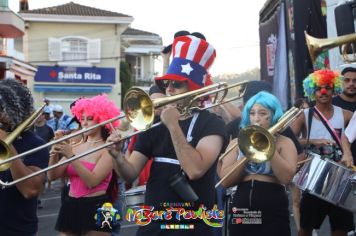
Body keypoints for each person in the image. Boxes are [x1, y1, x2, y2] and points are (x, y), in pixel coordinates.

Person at [107, 35, 228, 236]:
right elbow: (129, 173)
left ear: (195, 89)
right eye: (167, 84)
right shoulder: (154, 123)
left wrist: (173, 124)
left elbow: (195, 170)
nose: (169, 90)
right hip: (154, 226)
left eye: (177, 84)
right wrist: (117, 156)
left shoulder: (213, 124)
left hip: (192, 227)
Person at [217, 91, 298, 236]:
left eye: (262, 113)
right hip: (243, 204)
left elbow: (286, 178)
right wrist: (249, 151)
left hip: (273, 203)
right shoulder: (237, 143)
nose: (256, 118)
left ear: (273, 115)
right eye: (252, 113)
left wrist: (269, 146)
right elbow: (226, 181)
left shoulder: (285, 142)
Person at [291, 69, 354, 236]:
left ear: (334, 89)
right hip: (313, 178)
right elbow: (289, 140)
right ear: (312, 91)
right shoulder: (304, 115)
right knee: (305, 229)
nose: (323, 92)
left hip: (340, 179)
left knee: (341, 230)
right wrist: (311, 141)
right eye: (319, 88)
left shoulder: (346, 114)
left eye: (327, 87)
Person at [47, 94, 121, 236]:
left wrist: (71, 156)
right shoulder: (75, 145)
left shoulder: (109, 148)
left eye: (90, 119)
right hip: (70, 204)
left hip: (100, 205)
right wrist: (54, 152)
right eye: (82, 119)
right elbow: (51, 176)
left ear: (101, 119)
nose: (84, 123)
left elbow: (92, 181)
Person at [0, 79, 49, 236]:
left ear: (15, 110)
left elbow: (30, 190)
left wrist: (7, 145)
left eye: (1, 109)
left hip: (16, 230)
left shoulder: (35, 143)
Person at [333, 63, 356, 165]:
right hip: (339, 161)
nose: (351, 84)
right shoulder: (331, 103)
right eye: (347, 80)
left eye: (355, 80)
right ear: (341, 82)